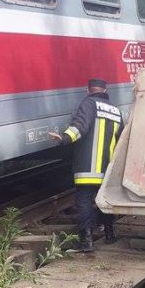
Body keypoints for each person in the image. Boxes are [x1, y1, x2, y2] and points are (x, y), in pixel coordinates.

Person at [49, 78, 123, 253]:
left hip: (88, 166)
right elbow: (121, 139)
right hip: (107, 168)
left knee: (84, 201)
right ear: (106, 90)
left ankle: (87, 240)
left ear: (88, 90)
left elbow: (79, 127)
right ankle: (110, 234)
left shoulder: (88, 103)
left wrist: (64, 138)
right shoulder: (116, 110)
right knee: (104, 200)